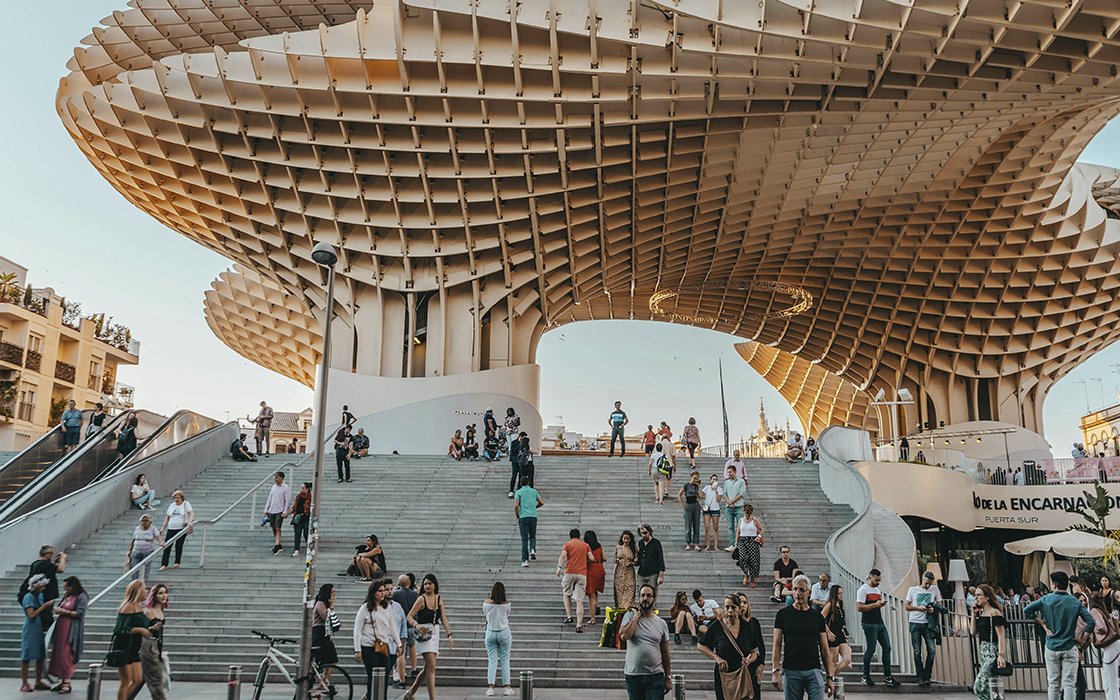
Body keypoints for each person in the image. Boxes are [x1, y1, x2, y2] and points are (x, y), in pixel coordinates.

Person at [1023, 570, 1096, 700]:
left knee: (1053, 684)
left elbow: (1027, 610)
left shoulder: (1046, 599)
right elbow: (1091, 622)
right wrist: (1082, 639)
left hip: (1051, 646)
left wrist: (1043, 625)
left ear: (1054, 584)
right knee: (1069, 684)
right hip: (1069, 645)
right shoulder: (1074, 601)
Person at [772, 574, 835, 700]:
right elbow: (777, 644)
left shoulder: (817, 617)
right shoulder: (783, 615)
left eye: (802, 590)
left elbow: (824, 648)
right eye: (795, 589)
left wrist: (830, 676)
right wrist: (775, 671)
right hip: (791, 670)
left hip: (814, 670)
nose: (797, 593)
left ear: (809, 592)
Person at [697, 594, 760, 700]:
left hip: (743, 674)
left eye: (733, 607)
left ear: (739, 609)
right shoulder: (717, 626)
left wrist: (749, 660)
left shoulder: (748, 627)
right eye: (727, 607)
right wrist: (717, 658)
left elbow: (754, 651)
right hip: (723, 674)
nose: (730, 610)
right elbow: (701, 646)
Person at [404, 574, 454, 700]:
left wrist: (449, 634)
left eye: (430, 583)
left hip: (435, 632)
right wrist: (416, 625)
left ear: (435, 585)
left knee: (428, 668)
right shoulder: (421, 599)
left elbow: (443, 618)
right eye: (425, 584)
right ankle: (432, 698)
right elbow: (409, 616)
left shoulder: (439, 599)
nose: (427, 586)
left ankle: (410, 694)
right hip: (423, 633)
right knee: (431, 666)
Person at [619, 584, 672, 700]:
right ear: (639, 598)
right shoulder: (629, 616)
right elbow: (625, 636)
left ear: (654, 599)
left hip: (655, 676)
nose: (645, 598)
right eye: (642, 595)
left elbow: (665, 651)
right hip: (633, 676)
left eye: (649, 596)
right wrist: (636, 617)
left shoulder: (661, 623)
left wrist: (668, 676)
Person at [354, 580, 401, 700]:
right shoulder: (365, 608)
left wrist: (398, 644)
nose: (383, 593)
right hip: (368, 646)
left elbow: (392, 626)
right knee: (373, 674)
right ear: (373, 593)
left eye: (384, 591)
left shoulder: (387, 607)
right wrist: (357, 649)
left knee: (384, 675)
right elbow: (357, 629)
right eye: (380, 591)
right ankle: (371, 696)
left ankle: (382, 697)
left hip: (383, 645)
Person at [856, 568, 900, 687]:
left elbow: (875, 605)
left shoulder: (877, 589)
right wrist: (875, 605)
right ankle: (865, 676)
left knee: (887, 647)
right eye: (876, 580)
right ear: (870, 577)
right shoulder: (862, 590)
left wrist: (880, 605)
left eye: (879, 580)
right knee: (871, 649)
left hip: (879, 622)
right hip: (869, 623)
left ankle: (887, 677)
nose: (878, 582)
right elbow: (859, 607)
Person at [111, 580, 151, 700]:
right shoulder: (128, 606)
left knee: (138, 679)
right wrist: (140, 630)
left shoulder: (138, 606)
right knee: (126, 680)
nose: (146, 591)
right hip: (123, 647)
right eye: (144, 589)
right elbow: (120, 629)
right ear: (138, 591)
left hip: (134, 647)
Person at [48, 576, 87, 694]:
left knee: (67, 654)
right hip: (61, 628)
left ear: (72, 586)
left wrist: (64, 612)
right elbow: (61, 606)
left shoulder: (82, 597)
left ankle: (67, 681)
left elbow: (80, 613)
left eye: (66, 587)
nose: (65, 589)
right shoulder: (67, 596)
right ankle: (62, 680)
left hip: (71, 629)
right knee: (59, 654)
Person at [905, 570, 943, 686]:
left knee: (931, 650)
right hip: (915, 622)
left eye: (929, 584)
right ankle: (920, 676)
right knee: (917, 652)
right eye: (926, 583)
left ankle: (927, 675)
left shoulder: (935, 589)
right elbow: (906, 606)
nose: (927, 586)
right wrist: (918, 608)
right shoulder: (912, 590)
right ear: (922, 579)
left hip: (928, 624)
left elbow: (941, 605)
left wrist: (933, 609)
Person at [971, 584, 1008, 700]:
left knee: (979, 686)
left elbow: (1001, 636)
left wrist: (1001, 656)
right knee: (988, 686)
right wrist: (973, 614)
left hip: (992, 651)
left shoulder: (995, 612)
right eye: (975, 595)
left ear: (987, 597)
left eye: (978, 595)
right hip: (983, 650)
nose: (976, 598)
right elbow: (973, 632)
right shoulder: (982, 614)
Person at [19, 574, 54, 693]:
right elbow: (31, 614)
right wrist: (44, 606)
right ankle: (24, 682)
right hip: (30, 628)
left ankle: (38, 681)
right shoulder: (28, 597)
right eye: (42, 586)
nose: (43, 588)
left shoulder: (40, 596)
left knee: (40, 655)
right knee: (26, 656)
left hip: (38, 628)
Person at [556, 527, 593, 632]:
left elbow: (563, 556)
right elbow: (592, 558)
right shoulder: (585, 545)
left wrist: (559, 567)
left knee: (566, 593)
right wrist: (584, 562)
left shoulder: (567, 544)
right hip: (582, 574)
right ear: (579, 536)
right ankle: (579, 625)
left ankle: (569, 616)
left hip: (569, 572)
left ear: (570, 536)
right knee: (579, 600)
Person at [483, 581, 514, 697]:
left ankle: (491, 688)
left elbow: (485, 615)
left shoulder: (486, 604)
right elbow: (507, 615)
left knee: (492, 660)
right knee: (505, 659)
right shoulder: (507, 604)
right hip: (504, 632)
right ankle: (507, 687)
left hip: (490, 632)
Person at [140, 583, 169, 700]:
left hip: (157, 645)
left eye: (165, 592)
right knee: (156, 679)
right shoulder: (148, 611)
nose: (164, 596)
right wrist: (151, 629)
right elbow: (141, 629)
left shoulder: (161, 610)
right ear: (154, 595)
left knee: (142, 680)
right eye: (160, 593)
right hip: (148, 645)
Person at [1091, 591, 1120, 700]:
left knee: (1109, 681)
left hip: (1109, 647)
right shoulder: (1104, 610)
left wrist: (1094, 630)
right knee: (1114, 680)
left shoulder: (1094, 611)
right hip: (1115, 644)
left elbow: (1102, 628)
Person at [392, 575, 419, 689]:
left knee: (401, 652)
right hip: (412, 624)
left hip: (401, 626)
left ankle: (401, 678)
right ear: (409, 582)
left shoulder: (396, 594)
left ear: (399, 583)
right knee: (412, 646)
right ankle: (414, 668)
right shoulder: (414, 594)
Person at [310, 585, 340, 687]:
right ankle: (320, 683)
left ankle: (323, 682)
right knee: (325, 660)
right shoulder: (320, 604)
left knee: (332, 660)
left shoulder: (323, 604)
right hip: (319, 635)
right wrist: (331, 607)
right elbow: (326, 619)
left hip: (325, 635)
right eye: (332, 593)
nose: (334, 596)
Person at [738, 592, 767, 697]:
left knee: (755, 692)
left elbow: (761, 645)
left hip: (754, 661)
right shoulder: (734, 623)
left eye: (745, 602)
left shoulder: (754, 622)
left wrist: (762, 664)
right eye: (740, 602)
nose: (742, 605)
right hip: (741, 662)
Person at [821, 584, 852, 680]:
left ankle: (832, 677)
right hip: (832, 634)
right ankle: (831, 679)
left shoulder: (840, 605)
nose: (841, 595)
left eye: (842, 593)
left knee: (847, 659)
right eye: (839, 594)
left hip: (840, 634)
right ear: (835, 594)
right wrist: (828, 632)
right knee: (833, 660)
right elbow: (820, 618)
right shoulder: (830, 605)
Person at [158, 490, 193, 570]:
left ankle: (177, 562)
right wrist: (163, 528)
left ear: (182, 498)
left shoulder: (186, 504)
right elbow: (167, 517)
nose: (176, 500)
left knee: (179, 545)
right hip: (171, 528)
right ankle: (164, 564)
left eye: (178, 498)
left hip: (181, 528)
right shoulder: (172, 505)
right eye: (175, 498)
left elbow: (191, 513)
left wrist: (189, 522)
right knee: (167, 546)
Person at [514, 476, 542, 566]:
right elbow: (542, 502)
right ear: (528, 482)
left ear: (521, 483)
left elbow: (516, 505)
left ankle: (525, 560)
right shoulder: (534, 491)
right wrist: (535, 507)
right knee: (533, 535)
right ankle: (533, 549)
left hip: (523, 516)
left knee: (524, 538)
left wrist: (518, 516)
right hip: (533, 516)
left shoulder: (518, 492)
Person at [126, 513, 163, 583]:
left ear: (150, 522)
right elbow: (133, 540)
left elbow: (158, 536)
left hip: (148, 552)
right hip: (136, 551)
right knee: (134, 568)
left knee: (146, 569)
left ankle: (144, 584)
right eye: (143, 521)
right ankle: (134, 584)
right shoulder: (137, 528)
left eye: (146, 521)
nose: (144, 522)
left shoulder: (153, 528)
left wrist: (161, 542)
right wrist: (129, 551)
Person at [736, 504, 765, 588]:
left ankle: (752, 579)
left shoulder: (755, 520)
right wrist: (735, 543)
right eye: (746, 514)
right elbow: (738, 532)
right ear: (744, 512)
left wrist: (758, 536)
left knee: (753, 560)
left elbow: (762, 529)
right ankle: (746, 574)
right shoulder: (740, 520)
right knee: (742, 558)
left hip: (752, 541)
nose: (747, 516)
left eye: (749, 514)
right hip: (742, 540)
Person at [263, 470, 291, 554]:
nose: (275, 478)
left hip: (280, 510)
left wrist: (285, 511)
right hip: (272, 510)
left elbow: (287, 500)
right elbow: (270, 498)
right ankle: (278, 543)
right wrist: (266, 509)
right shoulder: (273, 487)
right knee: (273, 527)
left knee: (278, 527)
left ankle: (276, 545)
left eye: (276, 477)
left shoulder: (285, 487)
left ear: (281, 478)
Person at [722, 465, 747, 553]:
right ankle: (732, 544)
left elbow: (741, 493)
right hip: (729, 507)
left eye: (730, 472)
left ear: (735, 472)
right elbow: (724, 494)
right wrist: (729, 502)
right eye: (728, 472)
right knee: (730, 526)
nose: (729, 474)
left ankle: (740, 545)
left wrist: (732, 501)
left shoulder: (741, 481)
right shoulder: (726, 482)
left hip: (738, 506)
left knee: (740, 526)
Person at [636, 524, 666, 596]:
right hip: (641, 573)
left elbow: (660, 558)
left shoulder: (656, 543)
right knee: (641, 594)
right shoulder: (640, 543)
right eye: (641, 533)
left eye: (645, 533)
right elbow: (640, 558)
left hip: (653, 573)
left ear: (650, 532)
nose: (643, 535)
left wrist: (661, 574)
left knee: (652, 594)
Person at [586, 531, 606, 626]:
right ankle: (597, 605)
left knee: (591, 594)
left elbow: (589, 558)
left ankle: (593, 618)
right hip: (600, 568)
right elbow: (605, 558)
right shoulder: (599, 546)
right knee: (595, 590)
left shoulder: (587, 547)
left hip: (591, 569)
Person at [678, 471, 702, 550]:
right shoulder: (686, 485)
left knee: (696, 525)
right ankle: (688, 543)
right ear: (691, 477)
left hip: (696, 506)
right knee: (688, 526)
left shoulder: (696, 486)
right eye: (694, 478)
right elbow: (679, 494)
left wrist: (699, 486)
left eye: (697, 479)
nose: (695, 480)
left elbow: (700, 496)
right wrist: (682, 504)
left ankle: (696, 543)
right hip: (688, 506)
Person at [615, 530, 638, 609]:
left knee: (630, 589)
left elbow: (636, 561)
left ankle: (629, 607)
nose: (626, 540)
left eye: (627, 539)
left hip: (629, 571)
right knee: (620, 590)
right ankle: (620, 608)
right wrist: (617, 560)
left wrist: (631, 563)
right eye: (624, 538)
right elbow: (614, 558)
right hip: (620, 571)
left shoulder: (634, 549)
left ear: (630, 539)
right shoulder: (618, 547)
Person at [289, 481, 312, 557]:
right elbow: (294, 506)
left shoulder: (311, 497)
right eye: (301, 488)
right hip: (298, 517)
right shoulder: (298, 496)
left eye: (303, 488)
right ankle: (296, 550)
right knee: (297, 534)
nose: (301, 489)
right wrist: (288, 513)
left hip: (306, 517)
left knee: (306, 533)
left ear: (307, 489)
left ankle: (309, 547)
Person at [702, 474, 723, 551]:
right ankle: (707, 545)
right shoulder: (707, 488)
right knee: (707, 527)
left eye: (716, 479)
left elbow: (718, 500)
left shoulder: (719, 489)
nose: (714, 481)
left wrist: (716, 491)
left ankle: (715, 546)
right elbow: (701, 495)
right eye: (713, 479)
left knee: (715, 527)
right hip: (707, 509)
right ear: (710, 480)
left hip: (715, 509)